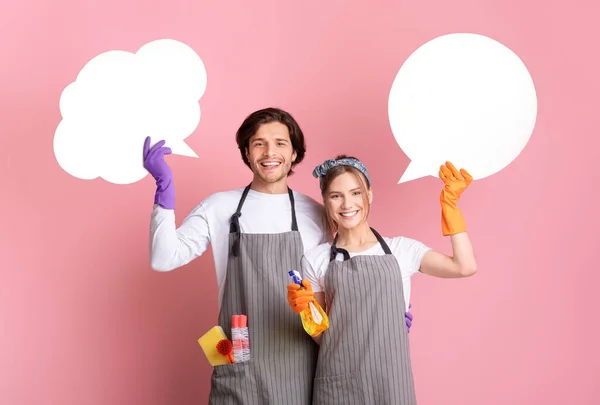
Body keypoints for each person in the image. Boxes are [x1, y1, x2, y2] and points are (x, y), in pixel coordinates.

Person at [142, 108, 415, 404]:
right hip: (238, 362)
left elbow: (345, 272)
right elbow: (163, 258)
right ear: (247, 152)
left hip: (302, 366)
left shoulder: (317, 213)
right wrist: (164, 190)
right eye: (259, 143)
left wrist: (382, 314)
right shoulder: (219, 207)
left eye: (280, 143)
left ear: (295, 153)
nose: (269, 152)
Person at [287, 155, 477, 405]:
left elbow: (464, 266)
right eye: (336, 195)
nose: (347, 204)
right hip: (338, 386)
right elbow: (324, 337)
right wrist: (307, 313)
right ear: (325, 201)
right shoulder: (315, 259)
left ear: (369, 195)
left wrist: (451, 208)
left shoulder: (401, 250)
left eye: (356, 192)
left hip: (391, 384)